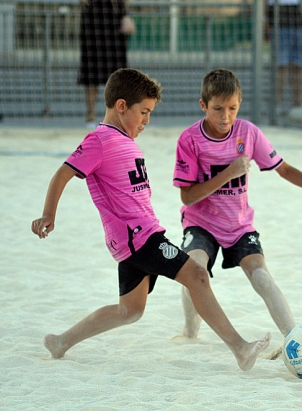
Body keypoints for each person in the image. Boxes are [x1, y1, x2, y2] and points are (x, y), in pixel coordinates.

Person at [31, 68, 270, 370]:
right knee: (197, 275)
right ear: (121, 106)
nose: (146, 121)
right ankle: (240, 348)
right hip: (139, 238)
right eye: (143, 112)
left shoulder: (123, 139)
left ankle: (60, 342)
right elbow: (63, 173)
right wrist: (48, 214)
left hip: (136, 238)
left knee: (129, 311)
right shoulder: (100, 140)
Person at [172, 68, 302, 341]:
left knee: (262, 277)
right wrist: (229, 173)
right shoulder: (189, 139)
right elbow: (187, 197)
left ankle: (294, 339)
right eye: (217, 109)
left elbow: (283, 168)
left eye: (232, 108)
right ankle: (190, 332)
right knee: (194, 269)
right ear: (203, 105)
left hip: (239, 224)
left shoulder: (248, 132)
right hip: (201, 223)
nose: (225, 117)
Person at [79, 0, 135, 128]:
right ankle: (90, 115)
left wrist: (127, 15)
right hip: (93, 18)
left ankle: (117, 117)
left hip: (115, 17)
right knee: (91, 69)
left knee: (118, 73)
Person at [266, 0, 302, 109]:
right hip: (280, 16)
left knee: (299, 66)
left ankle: (297, 105)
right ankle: (275, 106)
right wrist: (264, 18)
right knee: (280, 65)